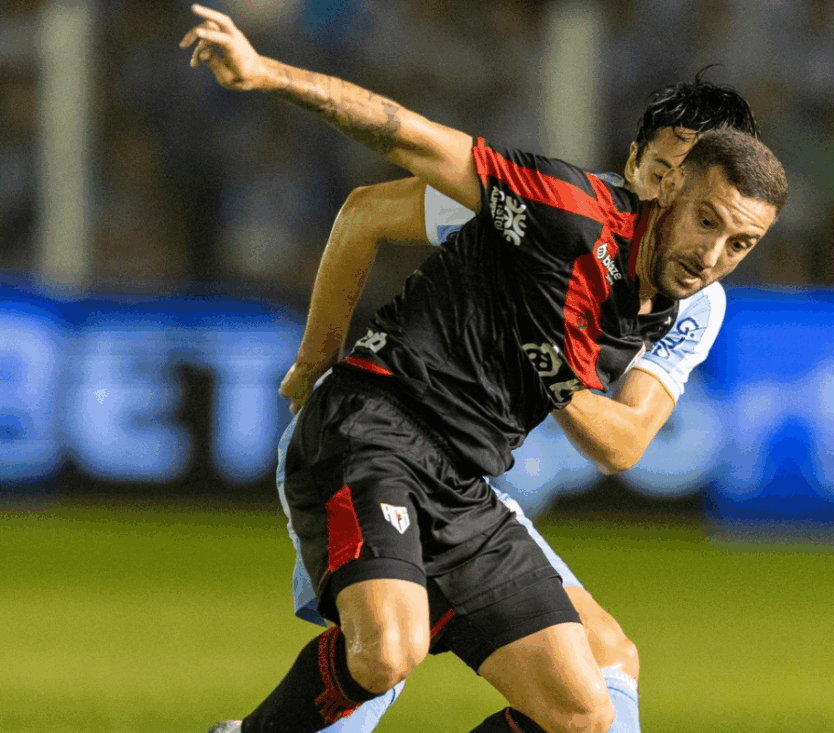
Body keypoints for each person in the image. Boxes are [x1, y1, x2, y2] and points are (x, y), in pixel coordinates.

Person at [181, 6, 787, 733]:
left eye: (739, 241)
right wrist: (266, 74)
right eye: (695, 207)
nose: (712, 252)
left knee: (585, 710)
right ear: (662, 178)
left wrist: (552, 372)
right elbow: (400, 150)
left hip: (467, 478)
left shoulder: (691, 301)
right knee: (388, 650)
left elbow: (622, 440)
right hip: (378, 427)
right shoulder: (555, 207)